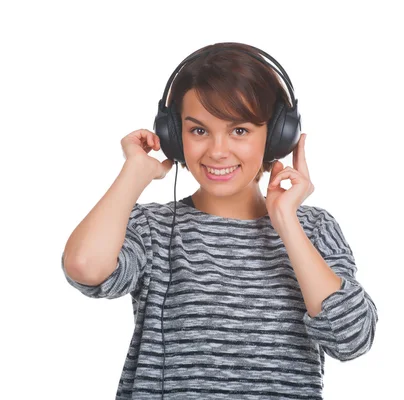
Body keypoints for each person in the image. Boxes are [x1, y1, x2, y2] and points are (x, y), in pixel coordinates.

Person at [61, 42, 378, 400]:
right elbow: (85, 267)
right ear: (173, 136)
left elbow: (351, 338)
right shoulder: (152, 228)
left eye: (239, 130)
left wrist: (286, 221)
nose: (217, 151)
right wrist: (134, 173)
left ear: (276, 136)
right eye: (198, 131)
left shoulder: (314, 229)